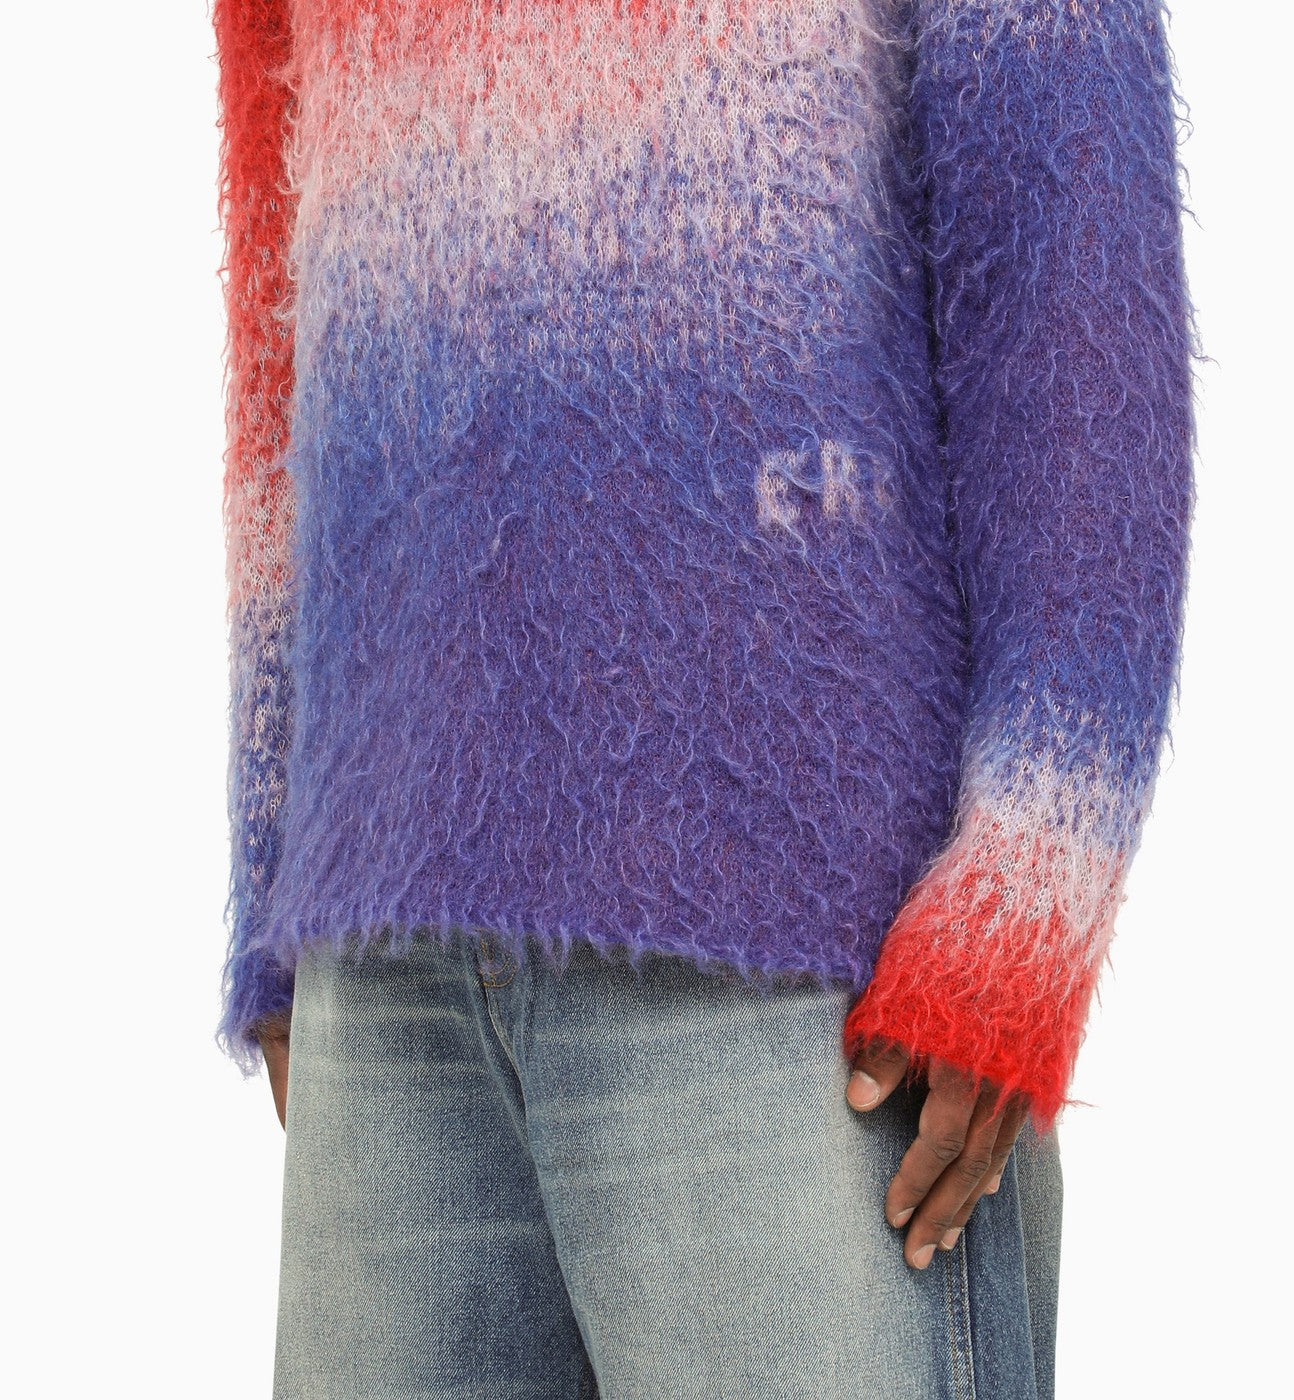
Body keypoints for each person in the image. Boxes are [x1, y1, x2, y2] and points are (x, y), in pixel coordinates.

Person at [211, 2, 1196, 1396]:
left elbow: (1074, 288)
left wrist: (1025, 906)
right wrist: (279, 867)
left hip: (803, 957)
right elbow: (282, 286)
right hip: (387, 953)